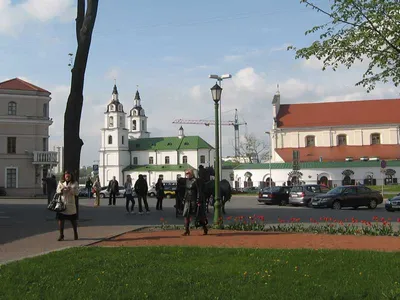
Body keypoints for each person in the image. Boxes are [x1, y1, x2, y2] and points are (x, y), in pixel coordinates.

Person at [182, 168, 208, 236]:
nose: (186, 175)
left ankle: (205, 228)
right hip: (187, 200)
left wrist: (198, 200)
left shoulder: (196, 181)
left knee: (198, 216)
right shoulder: (187, 181)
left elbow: (199, 191)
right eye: (186, 173)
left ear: (191, 173)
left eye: (188, 173)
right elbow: (186, 191)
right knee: (186, 215)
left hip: (194, 200)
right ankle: (186, 230)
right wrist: (184, 199)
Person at [56, 170, 79, 241]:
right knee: (61, 220)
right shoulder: (61, 183)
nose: (67, 177)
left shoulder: (74, 183)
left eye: (69, 176)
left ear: (71, 176)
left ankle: (75, 233)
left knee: (73, 221)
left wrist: (71, 190)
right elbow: (57, 192)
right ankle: (61, 235)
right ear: (64, 176)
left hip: (71, 205)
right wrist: (62, 190)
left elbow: (77, 193)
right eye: (66, 176)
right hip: (62, 204)